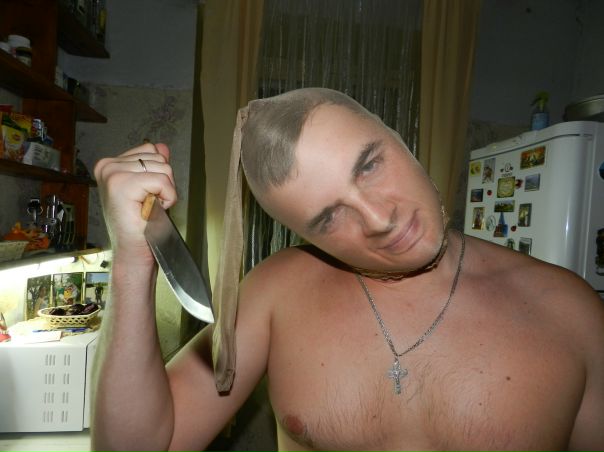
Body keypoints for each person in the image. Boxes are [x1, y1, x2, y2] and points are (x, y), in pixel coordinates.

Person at [91, 88, 604, 452]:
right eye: (329, 217)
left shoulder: (571, 312)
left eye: (370, 165)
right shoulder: (276, 294)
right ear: (306, 236)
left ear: (398, 137)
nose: (380, 220)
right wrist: (133, 261)